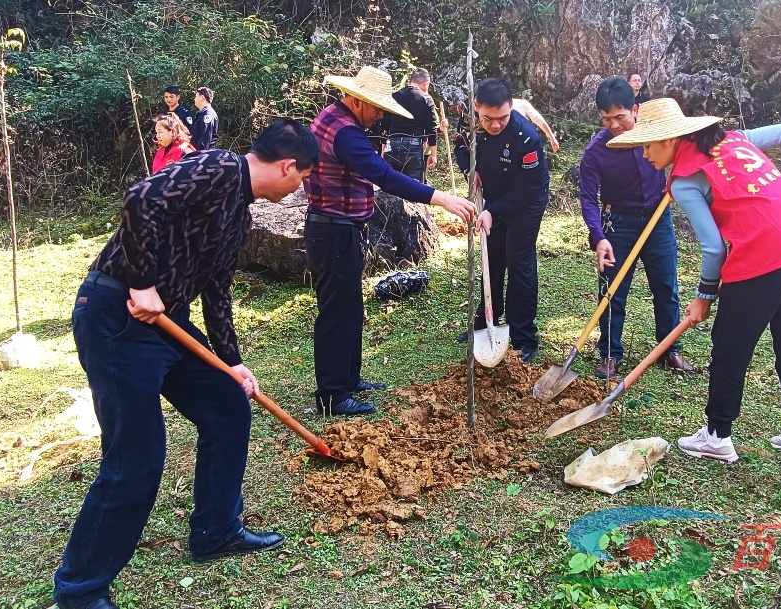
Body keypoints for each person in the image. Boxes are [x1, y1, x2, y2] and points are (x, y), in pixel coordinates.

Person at [52, 119, 320, 609]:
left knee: (228, 405)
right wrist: (141, 281)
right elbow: (139, 199)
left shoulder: (241, 212)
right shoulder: (219, 166)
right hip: (117, 316)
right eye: (302, 177)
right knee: (136, 459)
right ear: (287, 167)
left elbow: (217, 292)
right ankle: (79, 591)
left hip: (165, 324)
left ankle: (217, 531)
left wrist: (233, 364)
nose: (299, 186)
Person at [608, 98, 781, 463]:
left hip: (763, 253)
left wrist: (704, 298)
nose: (644, 153)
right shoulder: (732, 139)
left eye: (648, 144)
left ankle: (716, 436)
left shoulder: (684, 181)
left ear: (671, 139)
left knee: (729, 347)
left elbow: (713, 250)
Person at [305, 66, 475, 416]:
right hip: (334, 230)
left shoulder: (334, 118)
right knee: (336, 313)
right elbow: (384, 176)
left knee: (350, 307)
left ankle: (349, 380)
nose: (380, 114)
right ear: (356, 99)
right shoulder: (346, 133)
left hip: (342, 228)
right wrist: (441, 198)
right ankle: (332, 395)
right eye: (376, 106)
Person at [579, 78, 693, 377]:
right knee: (612, 290)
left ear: (636, 109)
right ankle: (609, 354)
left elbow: (684, 157)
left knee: (666, 286)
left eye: (620, 117)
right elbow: (589, 197)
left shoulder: (656, 134)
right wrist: (599, 237)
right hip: (619, 224)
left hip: (658, 218)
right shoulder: (596, 151)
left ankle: (669, 350)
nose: (614, 125)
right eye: (606, 119)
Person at [455, 78, 550, 363]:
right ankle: (487, 321)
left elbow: (526, 190)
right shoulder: (468, 123)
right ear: (476, 108)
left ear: (511, 109)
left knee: (519, 261)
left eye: (502, 118)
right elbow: (461, 148)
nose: (495, 125)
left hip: (526, 201)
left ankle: (523, 336)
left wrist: (492, 211)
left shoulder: (526, 137)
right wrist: (469, 171)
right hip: (492, 197)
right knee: (492, 258)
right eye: (488, 118)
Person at [382, 67, 441, 181]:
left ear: (411, 80)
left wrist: (383, 147)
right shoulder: (426, 99)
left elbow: (385, 123)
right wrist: (433, 155)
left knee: (391, 187)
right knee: (413, 190)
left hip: (392, 144)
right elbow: (431, 129)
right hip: (414, 145)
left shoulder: (393, 96)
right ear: (425, 83)